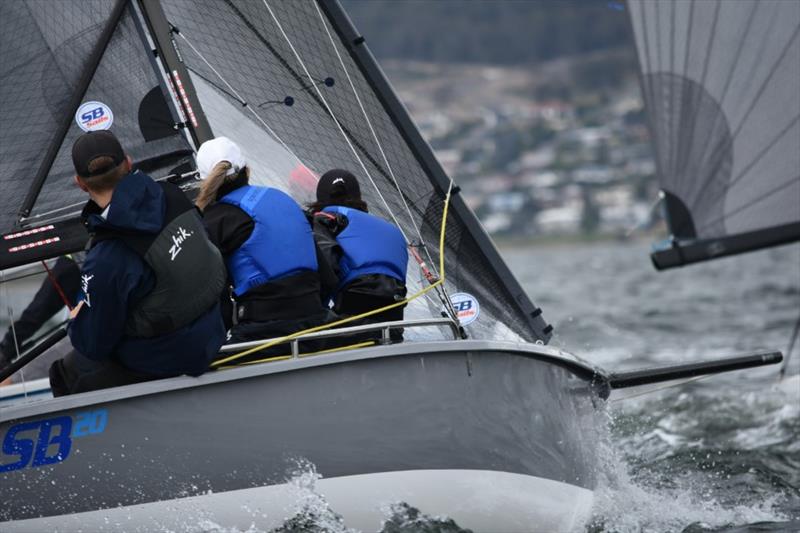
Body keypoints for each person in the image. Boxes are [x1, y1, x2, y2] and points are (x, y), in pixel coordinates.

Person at [48, 130, 227, 396]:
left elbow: (93, 344)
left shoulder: (108, 255)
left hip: (168, 357)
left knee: (65, 373)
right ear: (129, 163)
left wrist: (77, 318)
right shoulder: (173, 195)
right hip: (215, 330)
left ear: (80, 184)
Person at [195, 137, 334, 359]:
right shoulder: (285, 200)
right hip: (315, 324)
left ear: (204, 181)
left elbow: (215, 303)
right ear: (247, 170)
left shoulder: (211, 222)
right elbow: (328, 280)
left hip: (262, 333)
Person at [308, 169, 408, 340]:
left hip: (351, 319)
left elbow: (324, 272)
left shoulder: (325, 220)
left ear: (320, 199)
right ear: (358, 197)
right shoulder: (392, 230)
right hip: (394, 325)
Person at [0, 254, 82, 385]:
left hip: (94, 339)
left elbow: (41, 307)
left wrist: (7, 346)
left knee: (8, 383)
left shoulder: (77, 260)